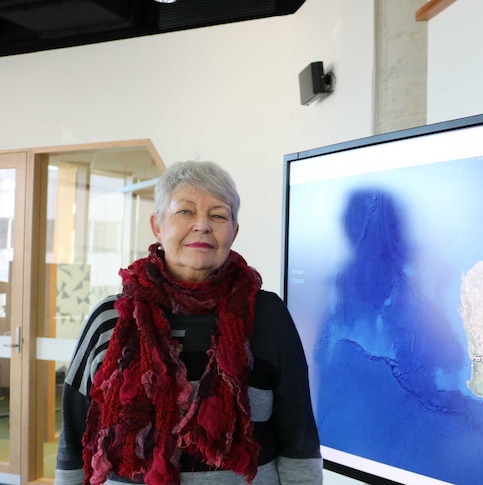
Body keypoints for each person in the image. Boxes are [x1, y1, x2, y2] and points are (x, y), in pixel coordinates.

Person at [55, 161, 323, 485]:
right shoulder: (111, 318)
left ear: (234, 232)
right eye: (185, 211)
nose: (202, 225)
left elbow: (299, 442)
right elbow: (74, 441)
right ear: (157, 225)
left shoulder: (267, 315)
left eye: (218, 215)